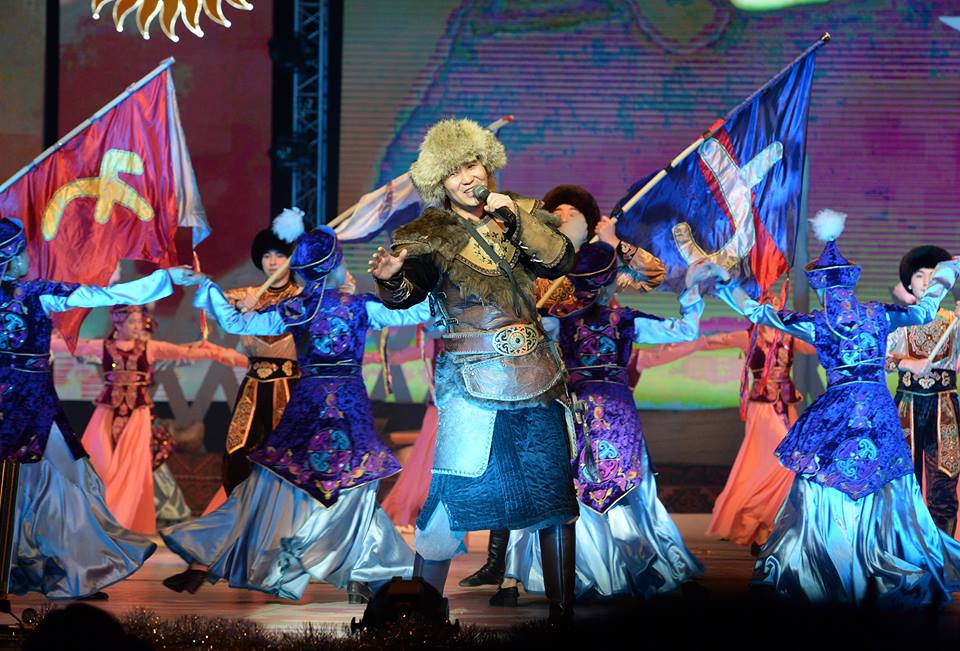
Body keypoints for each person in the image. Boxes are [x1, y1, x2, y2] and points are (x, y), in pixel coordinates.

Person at [368, 118, 580, 621]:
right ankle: (421, 610)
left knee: (553, 493)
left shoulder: (520, 212)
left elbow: (559, 261)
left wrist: (517, 218)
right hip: (470, 382)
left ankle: (562, 613)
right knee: (453, 490)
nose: (467, 177)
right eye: (454, 171)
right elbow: (409, 291)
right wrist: (393, 280)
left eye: (473, 165)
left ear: (488, 165)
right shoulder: (426, 233)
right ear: (440, 182)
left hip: (536, 378)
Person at [704, 209, 960, 607]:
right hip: (875, 412)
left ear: (823, 289)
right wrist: (946, 273)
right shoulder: (876, 314)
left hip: (840, 413)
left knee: (828, 488)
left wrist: (722, 284)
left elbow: (758, 312)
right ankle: (874, 562)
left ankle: (834, 566)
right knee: (883, 487)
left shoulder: (818, 323)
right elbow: (924, 311)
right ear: (851, 284)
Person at [161, 226, 430, 603]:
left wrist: (208, 287)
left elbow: (236, 323)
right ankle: (363, 569)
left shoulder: (298, 307)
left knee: (279, 487)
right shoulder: (358, 306)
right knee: (353, 485)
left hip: (308, 405)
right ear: (336, 263)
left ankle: (283, 560)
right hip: (346, 408)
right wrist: (424, 282)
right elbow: (417, 312)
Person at [500, 242, 705, 603]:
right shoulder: (622, 319)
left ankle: (573, 572)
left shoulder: (559, 319)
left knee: (575, 484)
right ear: (611, 281)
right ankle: (643, 567)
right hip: (611, 411)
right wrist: (691, 291)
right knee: (627, 486)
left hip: (578, 409)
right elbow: (685, 330)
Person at [0, 216, 192, 599]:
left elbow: (98, 296)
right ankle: (67, 571)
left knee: (54, 483)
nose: (27, 258)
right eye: (22, 252)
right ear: (10, 259)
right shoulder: (36, 292)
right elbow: (98, 296)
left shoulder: (35, 292)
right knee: (63, 484)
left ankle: (63, 571)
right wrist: (165, 278)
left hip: (26, 404)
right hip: (31, 405)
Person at [68, 304, 245, 535]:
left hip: (137, 416)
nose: (137, 326)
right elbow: (68, 344)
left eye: (139, 322)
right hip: (107, 413)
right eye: (132, 322)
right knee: (99, 462)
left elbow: (184, 353)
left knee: (132, 468)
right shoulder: (103, 347)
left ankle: (122, 520)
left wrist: (216, 352)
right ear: (118, 323)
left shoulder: (148, 348)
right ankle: (95, 516)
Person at [202, 210, 304, 514]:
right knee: (238, 449)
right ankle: (245, 512)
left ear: (291, 259)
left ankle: (286, 515)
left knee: (289, 449)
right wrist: (234, 306)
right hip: (253, 386)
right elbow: (209, 305)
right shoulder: (245, 295)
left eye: (280, 255)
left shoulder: (304, 296)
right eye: (267, 255)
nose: (272, 261)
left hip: (291, 384)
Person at [701, 284, 816, 550]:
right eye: (767, 303)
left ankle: (765, 528)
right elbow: (719, 340)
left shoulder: (788, 336)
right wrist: (691, 339)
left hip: (785, 406)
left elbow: (814, 346)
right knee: (781, 459)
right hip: (762, 409)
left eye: (775, 304)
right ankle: (755, 516)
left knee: (781, 465)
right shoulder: (749, 337)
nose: (773, 307)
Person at [886, 246, 960, 535]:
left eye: (934, 274)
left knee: (944, 485)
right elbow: (876, 361)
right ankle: (908, 551)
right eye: (920, 275)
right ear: (909, 283)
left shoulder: (954, 320)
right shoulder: (898, 321)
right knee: (905, 484)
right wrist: (906, 363)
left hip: (944, 408)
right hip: (907, 406)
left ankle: (944, 552)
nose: (928, 280)